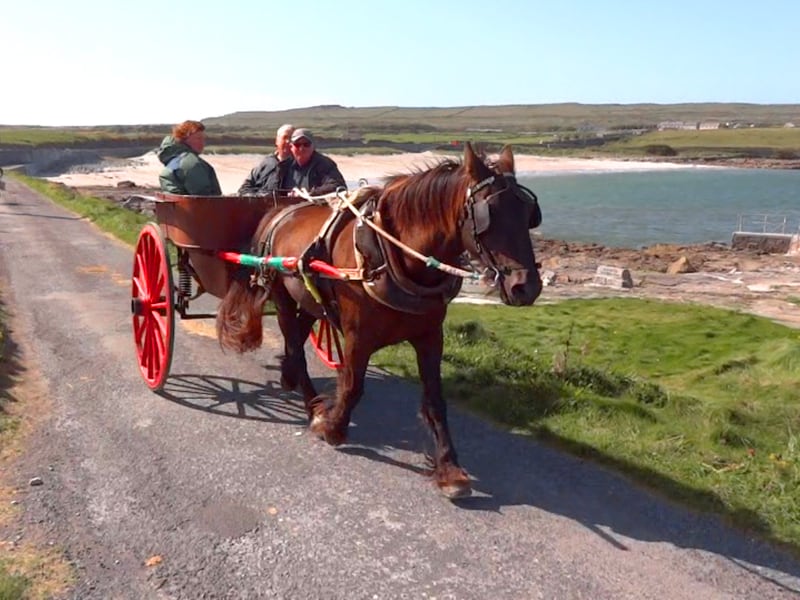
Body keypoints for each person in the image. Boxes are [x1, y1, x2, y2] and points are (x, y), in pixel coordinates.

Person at [157, 120, 222, 195]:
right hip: (193, 206)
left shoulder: (174, 159)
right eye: (198, 138)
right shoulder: (191, 163)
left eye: (203, 139)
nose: (202, 143)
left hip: (176, 205)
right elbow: (203, 197)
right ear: (184, 139)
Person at [282, 129, 347, 196]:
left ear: (313, 146)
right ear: (291, 147)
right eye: (297, 145)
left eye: (306, 144)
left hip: (317, 205)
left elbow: (338, 186)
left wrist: (310, 193)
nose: (301, 148)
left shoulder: (324, 164)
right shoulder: (284, 166)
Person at [237, 124, 295, 195]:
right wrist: (260, 197)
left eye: (291, 139)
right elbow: (244, 190)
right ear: (277, 141)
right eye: (285, 137)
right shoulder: (266, 163)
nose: (288, 141)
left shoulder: (300, 165)